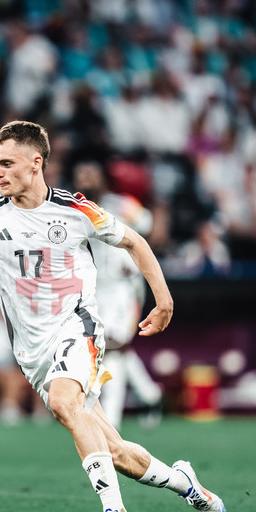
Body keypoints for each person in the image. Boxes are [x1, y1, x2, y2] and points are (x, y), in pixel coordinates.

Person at [0, 121, 227, 512]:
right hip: (33, 352)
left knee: (63, 400)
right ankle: (187, 484)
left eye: (7, 163)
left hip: (79, 326)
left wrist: (164, 301)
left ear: (36, 164)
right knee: (118, 452)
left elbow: (136, 243)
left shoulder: (75, 210)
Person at [72, 161, 163, 429]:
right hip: (93, 287)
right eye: (81, 174)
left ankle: (111, 422)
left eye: (91, 173)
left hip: (123, 287)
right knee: (105, 345)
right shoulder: (71, 210)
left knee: (114, 345)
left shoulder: (120, 205)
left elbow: (148, 224)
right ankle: (151, 395)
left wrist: (133, 256)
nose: (86, 179)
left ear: (102, 179)